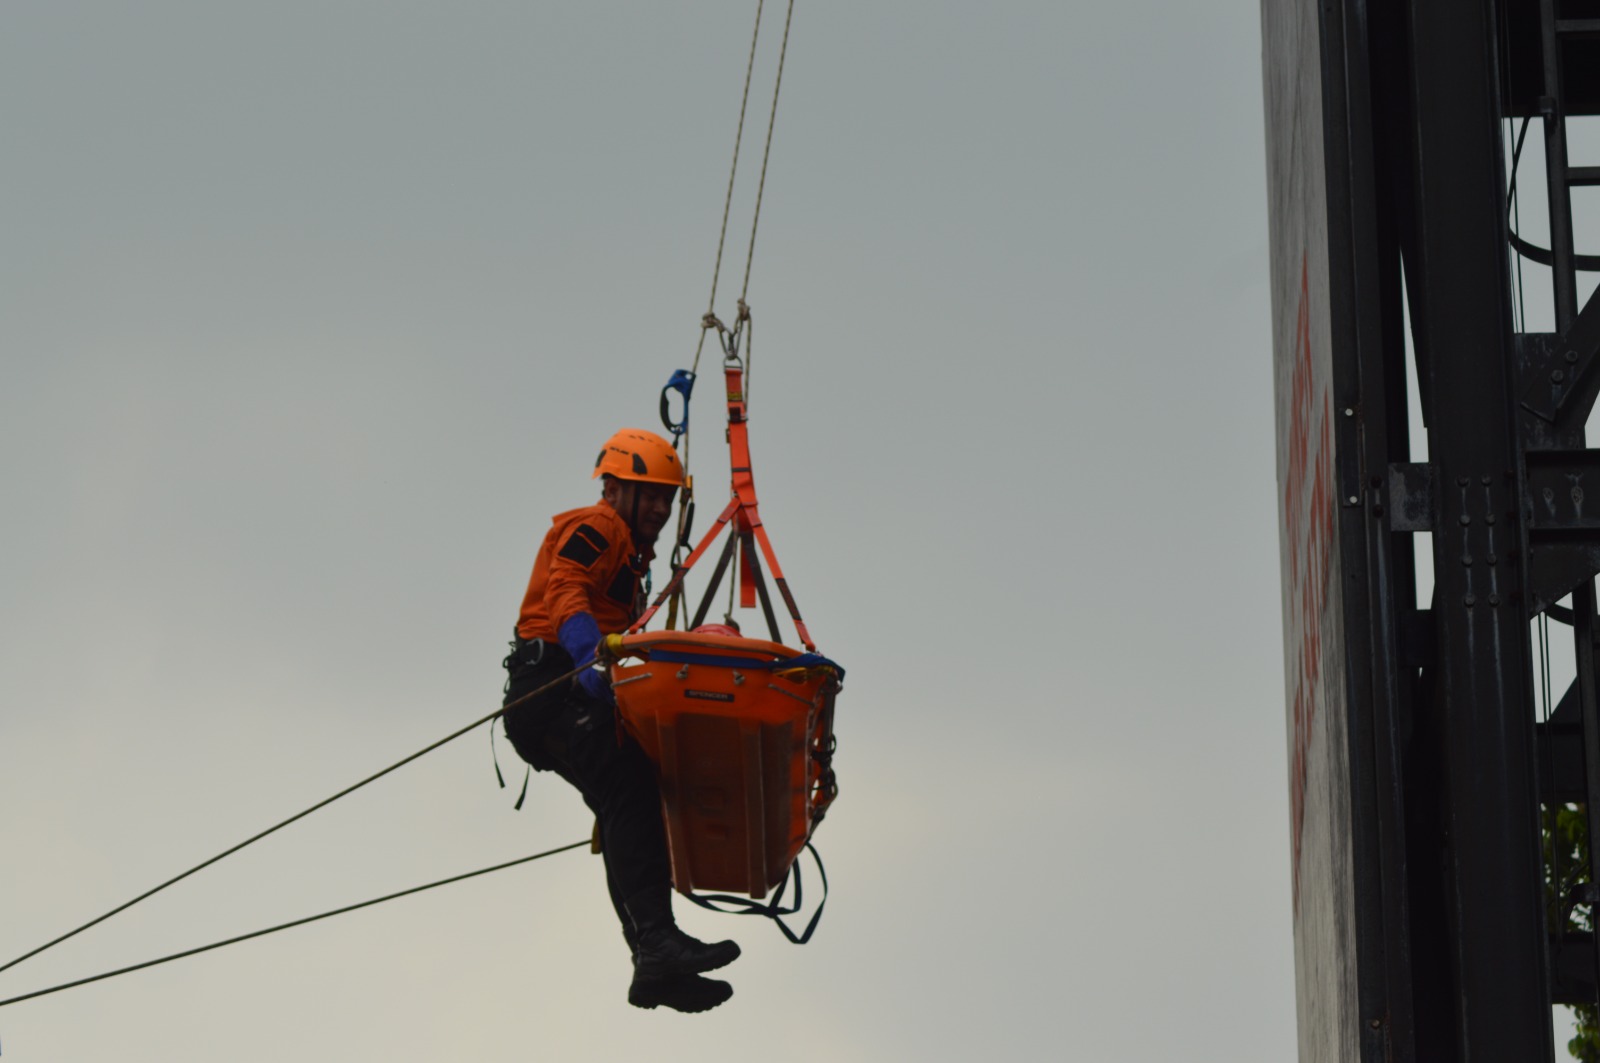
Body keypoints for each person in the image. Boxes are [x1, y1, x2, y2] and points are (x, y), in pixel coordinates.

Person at [500, 428, 740, 1013]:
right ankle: (656, 945)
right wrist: (585, 654)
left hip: (560, 696)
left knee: (627, 797)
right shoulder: (600, 526)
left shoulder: (632, 559)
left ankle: (652, 962)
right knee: (628, 785)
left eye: (667, 496)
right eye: (648, 494)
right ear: (614, 489)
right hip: (549, 689)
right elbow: (565, 588)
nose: (660, 507)